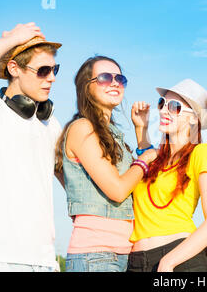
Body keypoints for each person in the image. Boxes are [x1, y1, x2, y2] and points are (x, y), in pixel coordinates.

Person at [54, 56, 157, 272]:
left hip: (122, 254)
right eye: (104, 77)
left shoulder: (114, 135)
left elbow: (143, 179)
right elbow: (118, 190)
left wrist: (141, 130)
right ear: (86, 87)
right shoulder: (82, 128)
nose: (114, 82)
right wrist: (144, 160)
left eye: (120, 78)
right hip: (96, 256)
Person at [0, 23, 63, 272]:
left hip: (44, 262)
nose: (52, 78)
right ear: (14, 68)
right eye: (43, 70)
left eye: (55, 69)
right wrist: (12, 39)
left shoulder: (51, 123)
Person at [127, 79, 207, 272]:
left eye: (174, 107)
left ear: (193, 118)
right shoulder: (153, 157)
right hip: (137, 262)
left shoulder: (201, 153)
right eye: (162, 103)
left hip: (179, 260)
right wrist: (141, 129)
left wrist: (169, 261)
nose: (163, 111)